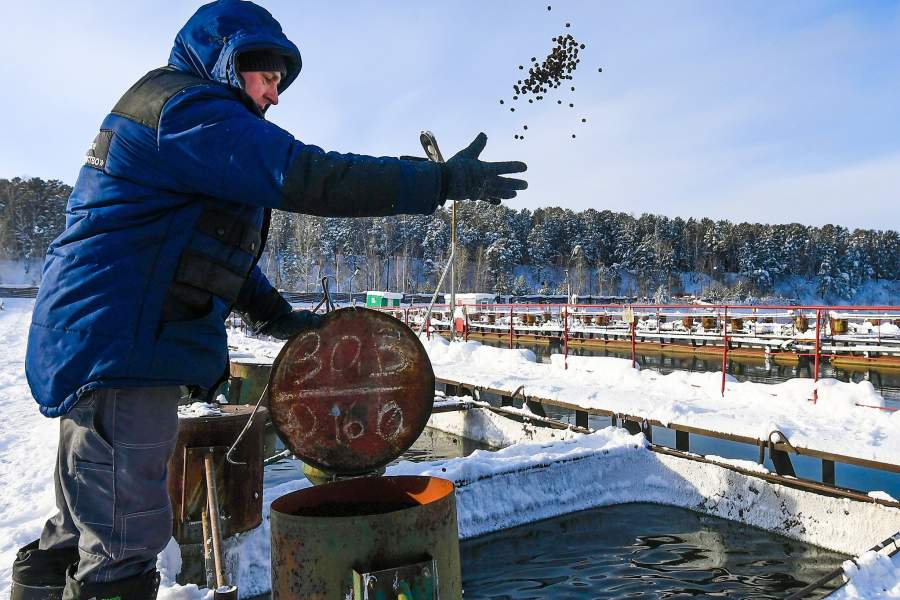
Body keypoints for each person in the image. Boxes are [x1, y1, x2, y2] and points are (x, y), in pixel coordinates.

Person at [11, 1, 527, 598]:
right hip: (120, 351)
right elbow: (310, 175)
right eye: (268, 78)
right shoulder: (187, 108)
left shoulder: (186, 124)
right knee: (123, 545)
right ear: (231, 62)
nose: (275, 95)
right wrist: (436, 183)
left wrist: (279, 317)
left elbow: (205, 253)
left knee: (79, 531)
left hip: (104, 342)